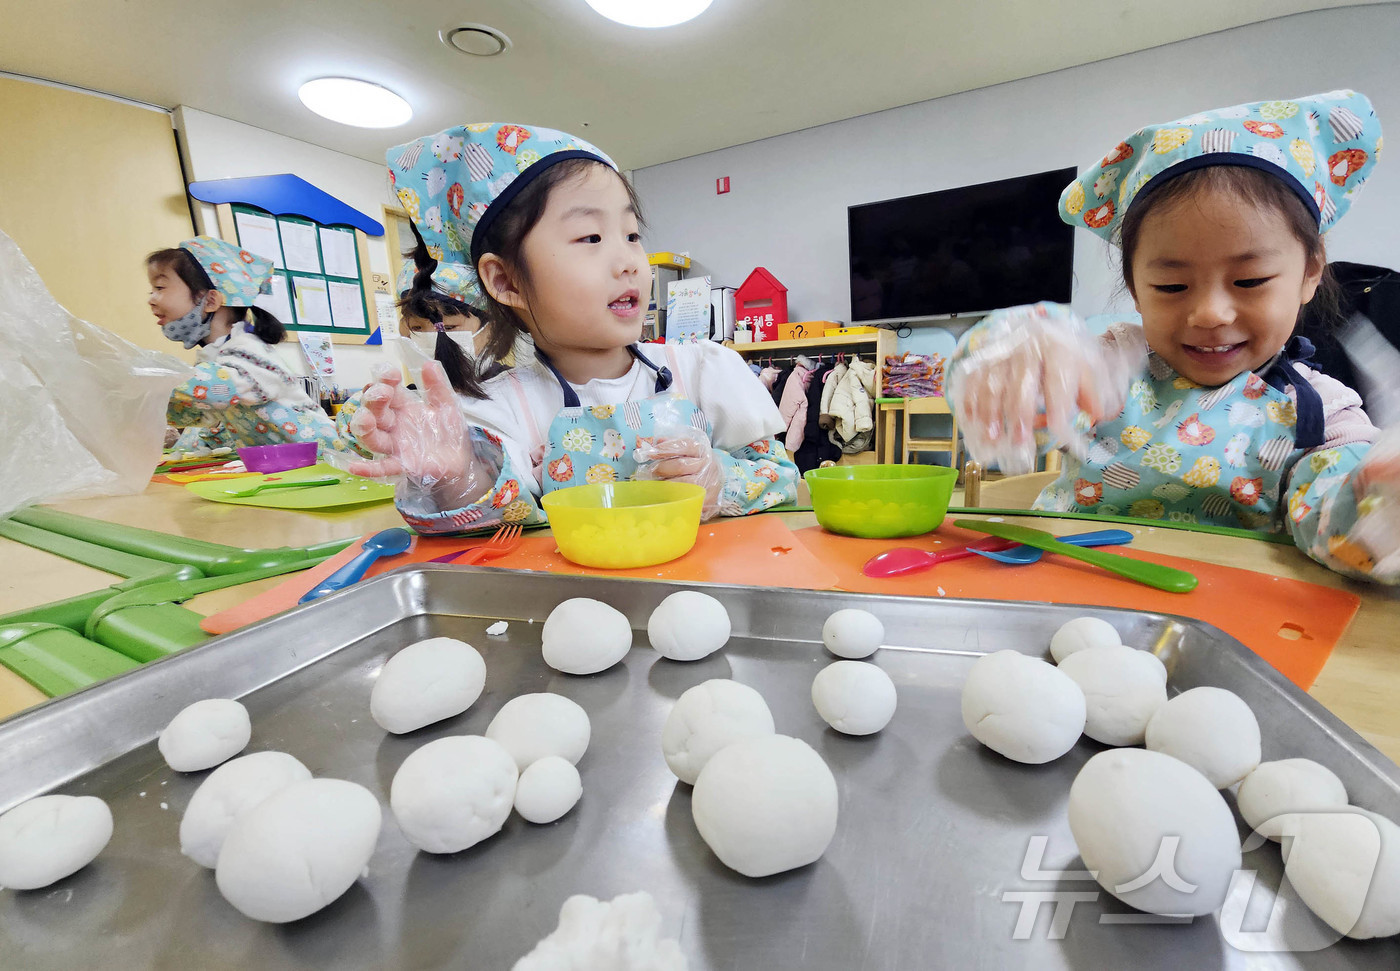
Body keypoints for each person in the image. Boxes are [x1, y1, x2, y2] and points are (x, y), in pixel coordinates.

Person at [947, 91, 1399, 583]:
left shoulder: (1321, 412)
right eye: (1171, 286)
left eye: (1249, 281)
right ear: (1137, 290)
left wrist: (1376, 503)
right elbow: (1012, 374)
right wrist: (1011, 355)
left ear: (1310, 272)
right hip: (1066, 589)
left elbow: (1335, 526)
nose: (1209, 313)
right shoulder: (1109, 359)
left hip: (1228, 622)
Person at [348, 123, 797, 531]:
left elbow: (780, 476)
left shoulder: (703, 370)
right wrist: (456, 476)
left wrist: (719, 480)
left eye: (632, 235)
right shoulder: (500, 411)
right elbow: (490, 521)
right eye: (591, 238)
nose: (629, 263)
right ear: (506, 282)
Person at [149, 236, 355, 455]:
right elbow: (201, 414)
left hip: (327, 459)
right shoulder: (216, 359)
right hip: (286, 465)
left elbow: (214, 388)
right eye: (151, 290)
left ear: (210, 301)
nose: (152, 299)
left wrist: (141, 380)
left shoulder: (247, 349)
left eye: (160, 287)